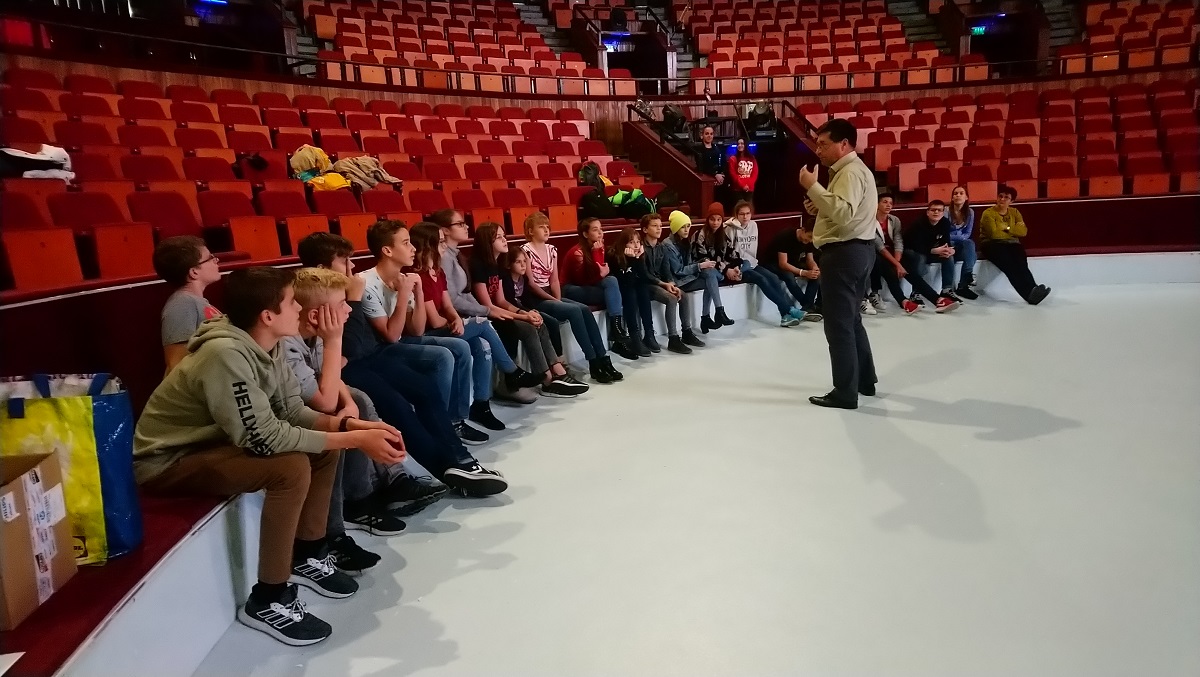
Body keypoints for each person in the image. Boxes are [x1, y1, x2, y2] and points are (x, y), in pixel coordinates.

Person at [133, 267, 406, 646]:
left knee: (322, 450)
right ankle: (268, 598)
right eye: (292, 302)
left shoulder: (269, 344)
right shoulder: (225, 355)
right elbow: (264, 438)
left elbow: (292, 412)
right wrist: (355, 439)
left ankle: (309, 552)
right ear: (267, 316)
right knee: (289, 468)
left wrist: (353, 427)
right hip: (168, 461)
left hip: (215, 444)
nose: (300, 309)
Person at [356, 220, 489, 445]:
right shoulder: (366, 283)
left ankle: (455, 420)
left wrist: (417, 293)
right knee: (443, 355)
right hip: (379, 350)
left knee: (461, 346)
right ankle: (436, 424)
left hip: (403, 340)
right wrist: (403, 294)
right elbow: (390, 336)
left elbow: (416, 329)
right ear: (387, 250)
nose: (413, 248)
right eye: (406, 243)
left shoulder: (404, 278)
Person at [798, 118, 879, 409]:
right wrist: (819, 205)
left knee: (838, 326)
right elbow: (845, 211)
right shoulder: (856, 170)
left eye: (823, 144)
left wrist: (812, 187)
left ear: (844, 144)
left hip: (844, 255)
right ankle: (864, 380)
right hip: (858, 252)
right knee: (852, 320)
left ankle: (845, 392)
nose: (818, 150)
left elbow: (844, 214)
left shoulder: (849, 172)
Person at [469, 222, 590, 398]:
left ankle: (558, 372)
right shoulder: (478, 265)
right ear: (487, 242)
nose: (504, 240)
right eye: (499, 237)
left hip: (499, 310)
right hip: (485, 315)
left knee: (539, 321)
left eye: (504, 236)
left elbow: (501, 301)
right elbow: (489, 306)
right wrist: (524, 318)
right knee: (528, 327)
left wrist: (524, 313)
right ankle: (547, 380)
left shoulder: (498, 264)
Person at [430, 209, 540, 404]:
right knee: (499, 327)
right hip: (454, 318)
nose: (466, 226)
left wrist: (488, 311)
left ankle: (490, 397)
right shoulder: (446, 258)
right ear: (445, 230)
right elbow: (453, 299)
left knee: (507, 328)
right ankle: (510, 378)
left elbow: (466, 293)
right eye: (460, 224)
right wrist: (486, 311)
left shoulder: (456, 255)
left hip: (466, 313)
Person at [520, 212, 623, 384]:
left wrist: (557, 298)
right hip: (535, 298)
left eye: (547, 227)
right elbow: (531, 284)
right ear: (530, 231)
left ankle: (603, 357)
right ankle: (592, 360)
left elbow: (554, 280)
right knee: (574, 310)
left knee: (584, 309)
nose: (546, 230)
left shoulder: (552, 250)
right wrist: (553, 300)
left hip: (551, 293)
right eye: (541, 227)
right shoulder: (526, 251)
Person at [562, 217, 636, 359]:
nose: (600, 233)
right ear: (585, 234)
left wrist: (601, 269)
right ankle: (618, 336)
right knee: (614, 294)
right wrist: (598, 260)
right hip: (571, 289)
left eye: (601, 229)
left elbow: (599, 275)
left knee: (612, 281)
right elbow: (583, 280)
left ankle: (617, 330)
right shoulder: (577, 252)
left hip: (589, 284)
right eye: (595, 230)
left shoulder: (599, 247)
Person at [724, 200, 805, 327]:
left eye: (748, 213)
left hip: (753, 263)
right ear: (736, 215)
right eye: (742, 214)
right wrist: (736, 266)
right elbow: (728, 253)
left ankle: (785, 313)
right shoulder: (729, 229)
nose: (745, 217)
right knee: (762, 279)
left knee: (774, 278)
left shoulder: (753, 225)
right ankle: (788, 310)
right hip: (739, 267)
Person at [152, 235, 223, 374]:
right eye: (210, 258)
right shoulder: (181, 305)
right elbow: (177, 365)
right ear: (194, 272)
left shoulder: (193, 302)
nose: (216, 260)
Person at [641, 213, 704, 354]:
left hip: (661, 282)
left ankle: (687, 332)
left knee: (683, 295)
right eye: (654, 226)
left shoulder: (661, 247)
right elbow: (645, 274)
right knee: (671, 298)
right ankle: (673, 338)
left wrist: (670, 283)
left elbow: (666, 269)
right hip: (647, 284)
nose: (659, 229)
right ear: (645, 229)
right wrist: (664, 284)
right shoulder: (641, 248)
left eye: (660, 226)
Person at [980, 184, 1051, 305]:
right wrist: (1012, 232)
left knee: (1021, 264)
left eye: (1006, 197)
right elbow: (994, 234)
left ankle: (1034, 289)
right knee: (1010, 266)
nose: (1002, 199)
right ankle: (1028, 295)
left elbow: (1023, 232)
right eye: (1000, 196)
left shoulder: (1015, 212)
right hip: (991, 244)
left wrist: (1006, 228)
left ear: (1011, 201)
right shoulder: (988, 213)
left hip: (1012, 244)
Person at [664, 210, 728, 333]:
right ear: (676, 228)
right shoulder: (668, 245)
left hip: (687, 277)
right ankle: (711, 315)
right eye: (683, 227)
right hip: (677, 281)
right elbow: (678, 270)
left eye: (688, 226)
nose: (686, 230)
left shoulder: (685, 241)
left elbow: (688, 264)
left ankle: (711, 315)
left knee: (710, 273)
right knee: (711, 280)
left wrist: (703, 263)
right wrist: (699, 265)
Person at [863, 193, 920, 315]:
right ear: (877, 204)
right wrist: (897, 265)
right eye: (885, 202)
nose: (888, 205)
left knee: (911, 259)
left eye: (891, 203)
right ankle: (900, 300)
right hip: (876, 252)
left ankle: (932, 297)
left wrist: (897, 262)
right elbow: (880, 247)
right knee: (883, 265)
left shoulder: (894, 220)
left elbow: (898, 240)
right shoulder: (869, 220)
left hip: (892, 252)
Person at [901, 201, 962, 313]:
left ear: (943, 212)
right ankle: (916, 293)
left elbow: (946, 242)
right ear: (927, 212)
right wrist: (934, 250)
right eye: (933, 210)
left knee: (948, 257)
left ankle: (946, 290)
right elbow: (916, 246)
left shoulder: (945, 223)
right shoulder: (919, 224)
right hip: (912, 251)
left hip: (932, 250)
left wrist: (949, 250)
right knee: (920, 258)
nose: (936, 212)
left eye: (939, 210)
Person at [760, 221, 823, 321]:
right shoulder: (786, 236)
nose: (810, 240)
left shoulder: (809, 241)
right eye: (809, 236)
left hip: (792, 262)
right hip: (773, 263)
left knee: (816, 275)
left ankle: (808, 306)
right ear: (803, 230)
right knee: (789, 277)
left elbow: (810, 260)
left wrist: (815, 268)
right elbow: (783, 263)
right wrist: (803, 272)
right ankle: (808, 306)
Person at [606, 227, 654, 356]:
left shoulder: (639, 255)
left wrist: (638, 259)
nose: (636, 246)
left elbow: (644, 278)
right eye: (632, 242)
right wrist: (632, 260)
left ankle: (649, 333)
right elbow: (626, 282)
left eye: (638, 242)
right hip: (620, 289)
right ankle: (634, 336)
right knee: (630, 293)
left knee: (643, 289)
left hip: (632, 286)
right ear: (624, 244)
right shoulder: (614, 256)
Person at [690, 203, 737, 331]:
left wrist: (733, 268)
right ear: (707, 219)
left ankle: (705, 318)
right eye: (712, 219)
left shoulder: (724, 235)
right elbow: (703, 259)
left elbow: (732, 256)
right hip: (699, 269)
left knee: (711, 279)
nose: (715, 223)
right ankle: (719, 311)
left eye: (718, 219)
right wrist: (726, 269)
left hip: (717, 272)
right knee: (710, 274)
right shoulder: (700, 235)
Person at [946, 185, 979, 300]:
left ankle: (965, 281)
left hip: (961, 244)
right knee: (972, 254)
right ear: (952, 198)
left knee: (970, 243)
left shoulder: (970, 212)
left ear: (966, 197)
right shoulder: (946, 212)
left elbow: (968, 233)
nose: (958, 195)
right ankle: (964, 284)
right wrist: (959, 237)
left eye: (961, 193)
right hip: (948, 243)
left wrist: (959, 238)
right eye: (955, 194)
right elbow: (945, 235)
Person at [693, 124, 726, 189]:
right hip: (706, 180)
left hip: (719, 180)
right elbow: (702, 166)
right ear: (702, 136)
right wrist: (715, 175)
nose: (709, 136)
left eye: (711, 134)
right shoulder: (698, 150)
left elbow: (722, 163)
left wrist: (721, 175)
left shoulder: (717, 149)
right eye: (707, 134)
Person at [728, 137, 758, 205]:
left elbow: (755, 173)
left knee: (749, 208)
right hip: (738, 189)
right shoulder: (733, 158)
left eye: (742, 143)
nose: (740, 145)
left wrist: (748, 185)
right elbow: (733, 174)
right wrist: (743, 185)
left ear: (745, 145)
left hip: (749, 188)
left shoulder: (752, 158)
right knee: (740, 208)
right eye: (738, 144)